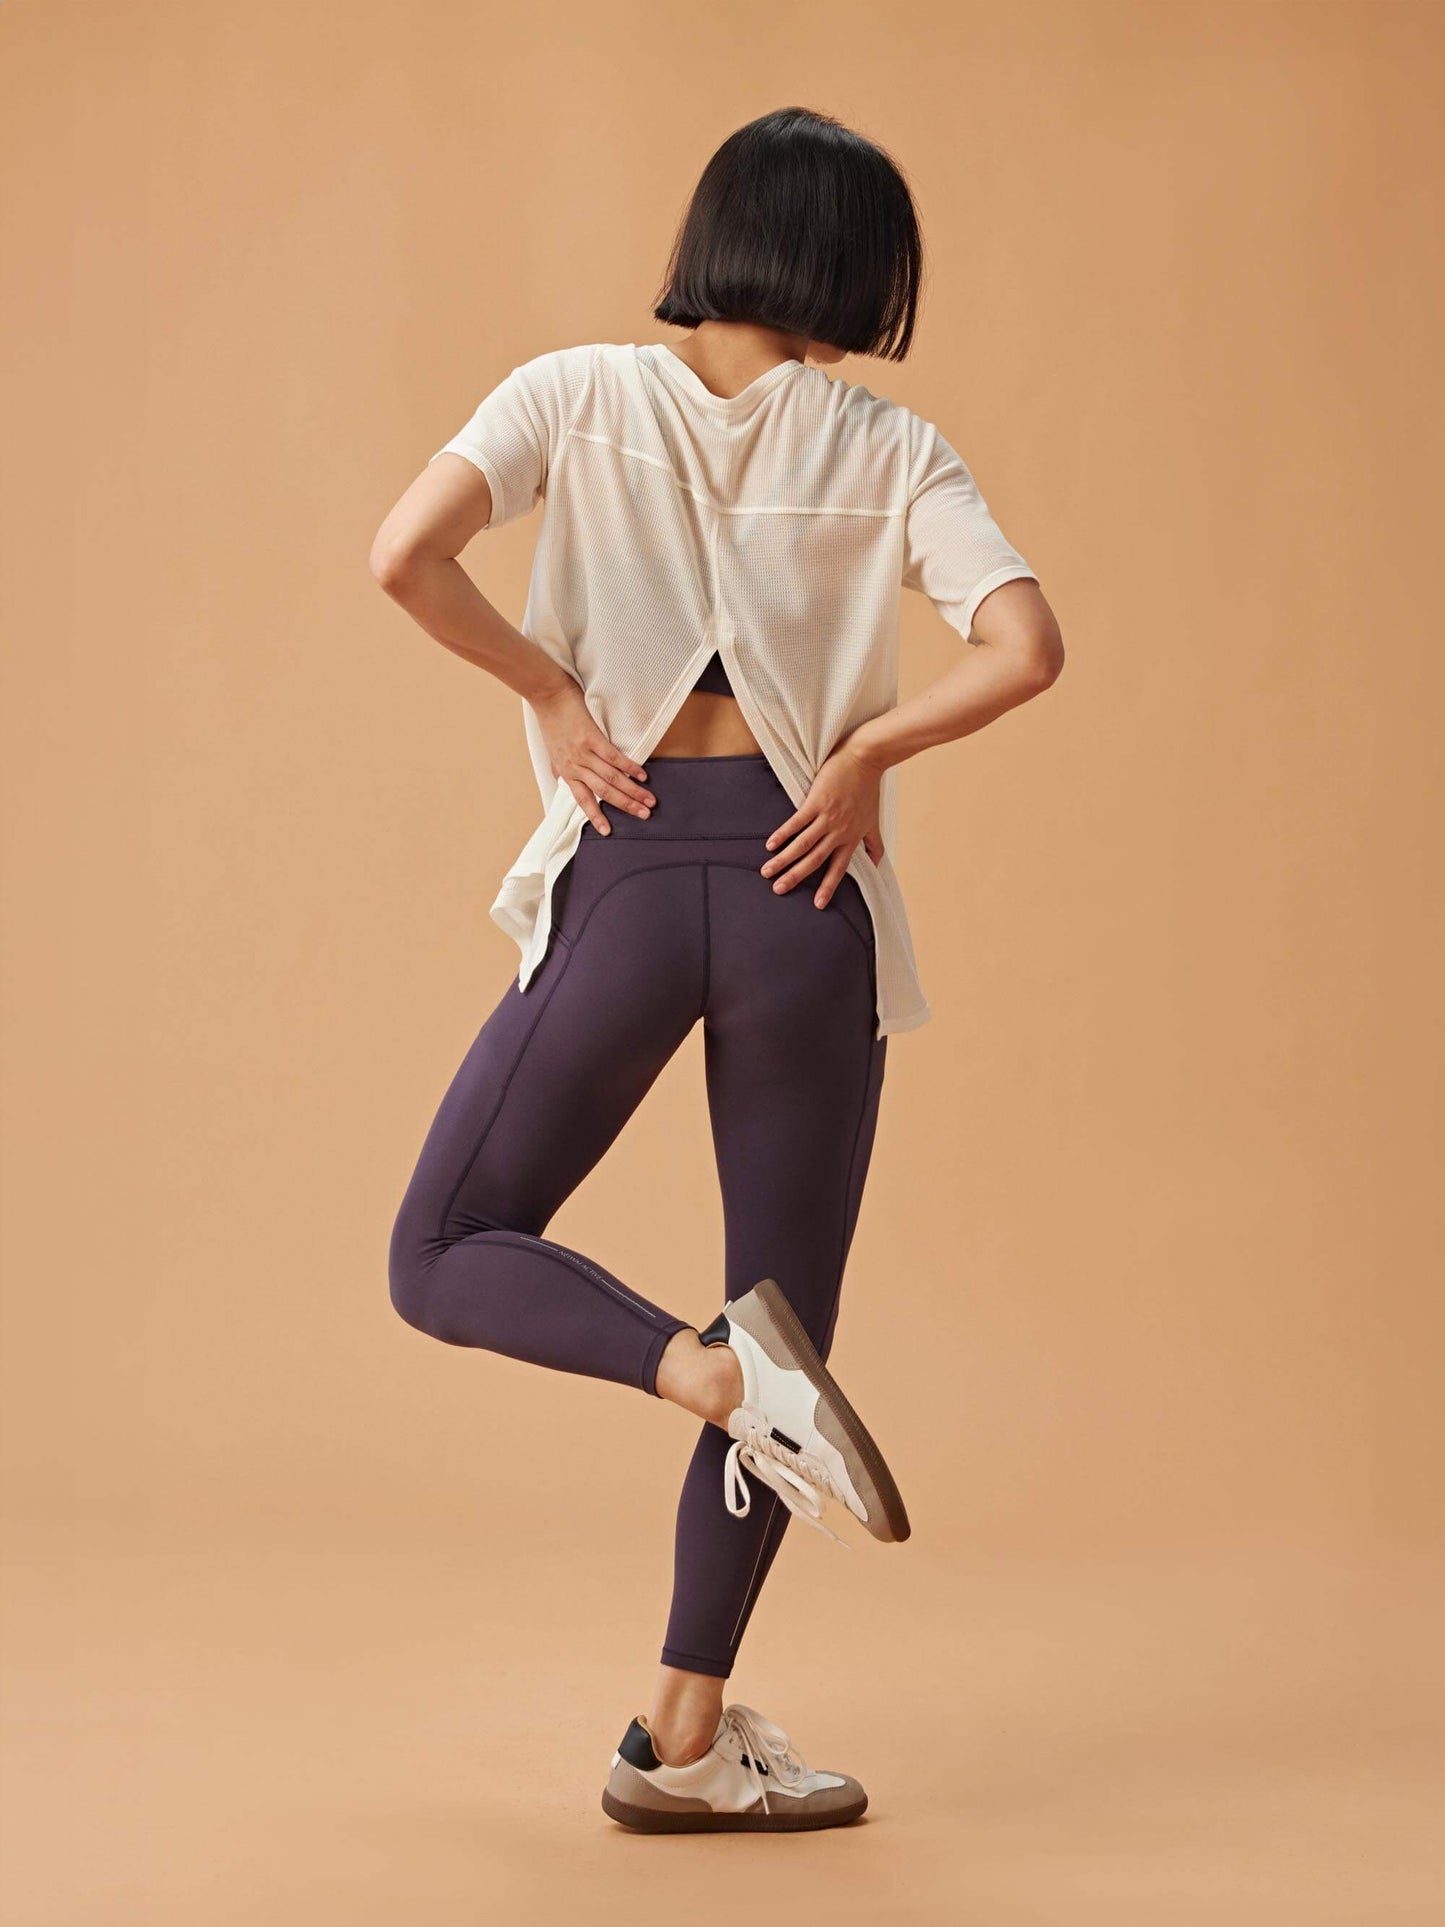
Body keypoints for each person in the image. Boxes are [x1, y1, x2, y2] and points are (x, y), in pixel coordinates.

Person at [369, 104, 1064, 1834]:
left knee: (446, 1246)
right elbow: (1025, 647)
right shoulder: (891, 446)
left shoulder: (571, 392)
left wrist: (547, 691)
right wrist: (865, 759)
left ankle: (680, 1739)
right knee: (784, 1325)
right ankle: (702, 1581)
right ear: (849, 270)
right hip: (796, 886)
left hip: (623, 867)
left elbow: (403, 556)